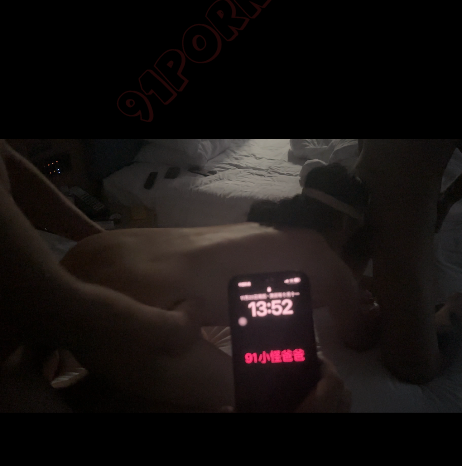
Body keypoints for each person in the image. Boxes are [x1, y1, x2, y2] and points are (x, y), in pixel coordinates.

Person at [0, 141, 352, 413]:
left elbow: (11, 172)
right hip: (128, 309)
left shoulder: (267, 225)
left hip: (83, 263)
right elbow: (359, 334)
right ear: (345, 225)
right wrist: (165, 328)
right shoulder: (325, 257)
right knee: (297, 394)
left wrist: (103, 244)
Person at [352, 139, 462, 384]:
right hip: (367, 192)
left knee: (413, 366)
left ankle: (452, 310)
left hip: (405, 205)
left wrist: (446, 200)